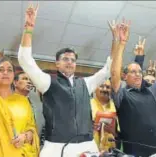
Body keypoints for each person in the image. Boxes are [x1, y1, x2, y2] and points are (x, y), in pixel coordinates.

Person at [17, 4, 113, 157]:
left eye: (73, 60)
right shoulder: (48, 82)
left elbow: (108, 70)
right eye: (65, 59)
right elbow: (25, 59)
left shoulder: (85, 84)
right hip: (56, 147)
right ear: (57, 63)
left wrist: (117, 43)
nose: (70, 62)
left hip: (87, 145)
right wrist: (28, 27)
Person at [111, 17, 156, 156]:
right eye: (133, 72)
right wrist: (122, 43)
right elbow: (114, 72)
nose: (138, 75)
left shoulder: (151, 92)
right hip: (135, 152)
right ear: (125, 76)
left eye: (140, 72)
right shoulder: (121, 94)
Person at [91, 79, 120, 152]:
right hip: (91, 148)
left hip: (110, 150)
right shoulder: (87, 104)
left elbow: (119, 134)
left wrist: (113, 131)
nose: (105, 89)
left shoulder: (116, 107)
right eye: (101, 86)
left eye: (108, 87)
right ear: (94, 89)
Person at [14, 72, 45, 136]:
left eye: (30, 80)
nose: (29, 82)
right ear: (15, 83)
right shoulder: (7, 101)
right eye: (25, 79)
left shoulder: (37, 104)